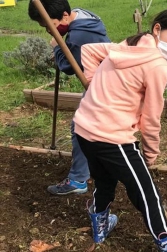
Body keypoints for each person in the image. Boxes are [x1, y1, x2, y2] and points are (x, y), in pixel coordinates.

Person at [73, 8, 167, 250]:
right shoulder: (158, 67)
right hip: (112, 137)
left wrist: (93, 81)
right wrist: (150, 154)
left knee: (104, 180)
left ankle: (100, 225)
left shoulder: (128, 45)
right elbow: (151, 118)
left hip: (84, 128)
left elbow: (88, 51)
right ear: (157, 28)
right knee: (146, 193)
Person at [28, 0, 110, 195]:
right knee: (89, 127)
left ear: (65, 16)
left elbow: (69, 67)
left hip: (101, 85)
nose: (49, 31)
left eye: (51, 26)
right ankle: (95, 166)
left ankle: (79, 179)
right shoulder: (82, 15)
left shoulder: (79, 35)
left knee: (81, 127)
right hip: (102, 77)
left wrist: (57, 46)